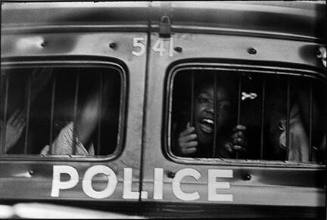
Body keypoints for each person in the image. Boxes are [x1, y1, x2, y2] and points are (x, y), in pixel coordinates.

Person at [173, 79, 247, 158]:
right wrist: (176, 152)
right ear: (190, 105)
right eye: (204, 100)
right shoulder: (168, 133)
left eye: (224, 107)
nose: (213, 110)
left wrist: (237, 154)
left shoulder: (227, 144)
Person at [41, 80, 109, 156]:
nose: (99, 113)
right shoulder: (66, 139)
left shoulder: (89, 137)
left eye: (103, 107)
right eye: (92, 107)